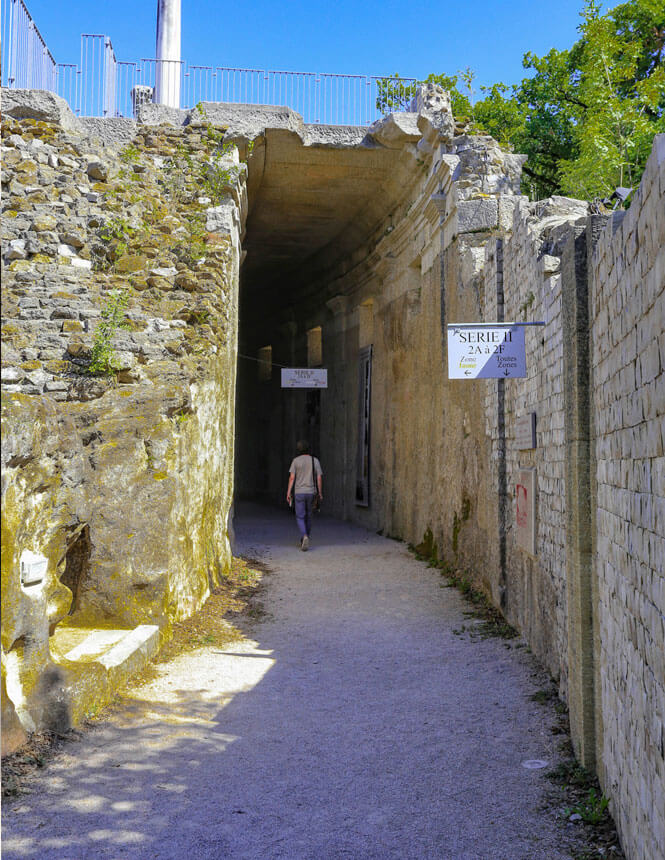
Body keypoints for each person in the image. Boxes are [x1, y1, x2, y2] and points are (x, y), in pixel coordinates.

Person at [286, 440, 323, 551]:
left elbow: (292, 478)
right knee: (309, 516)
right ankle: (305, 537)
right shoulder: (314, 461)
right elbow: (319, 478)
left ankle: (304, 535)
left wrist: (288, 492)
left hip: (299, 493)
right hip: (311, 492)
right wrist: (320, 492)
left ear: (298, 450)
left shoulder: (295, 461)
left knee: (300, 516)